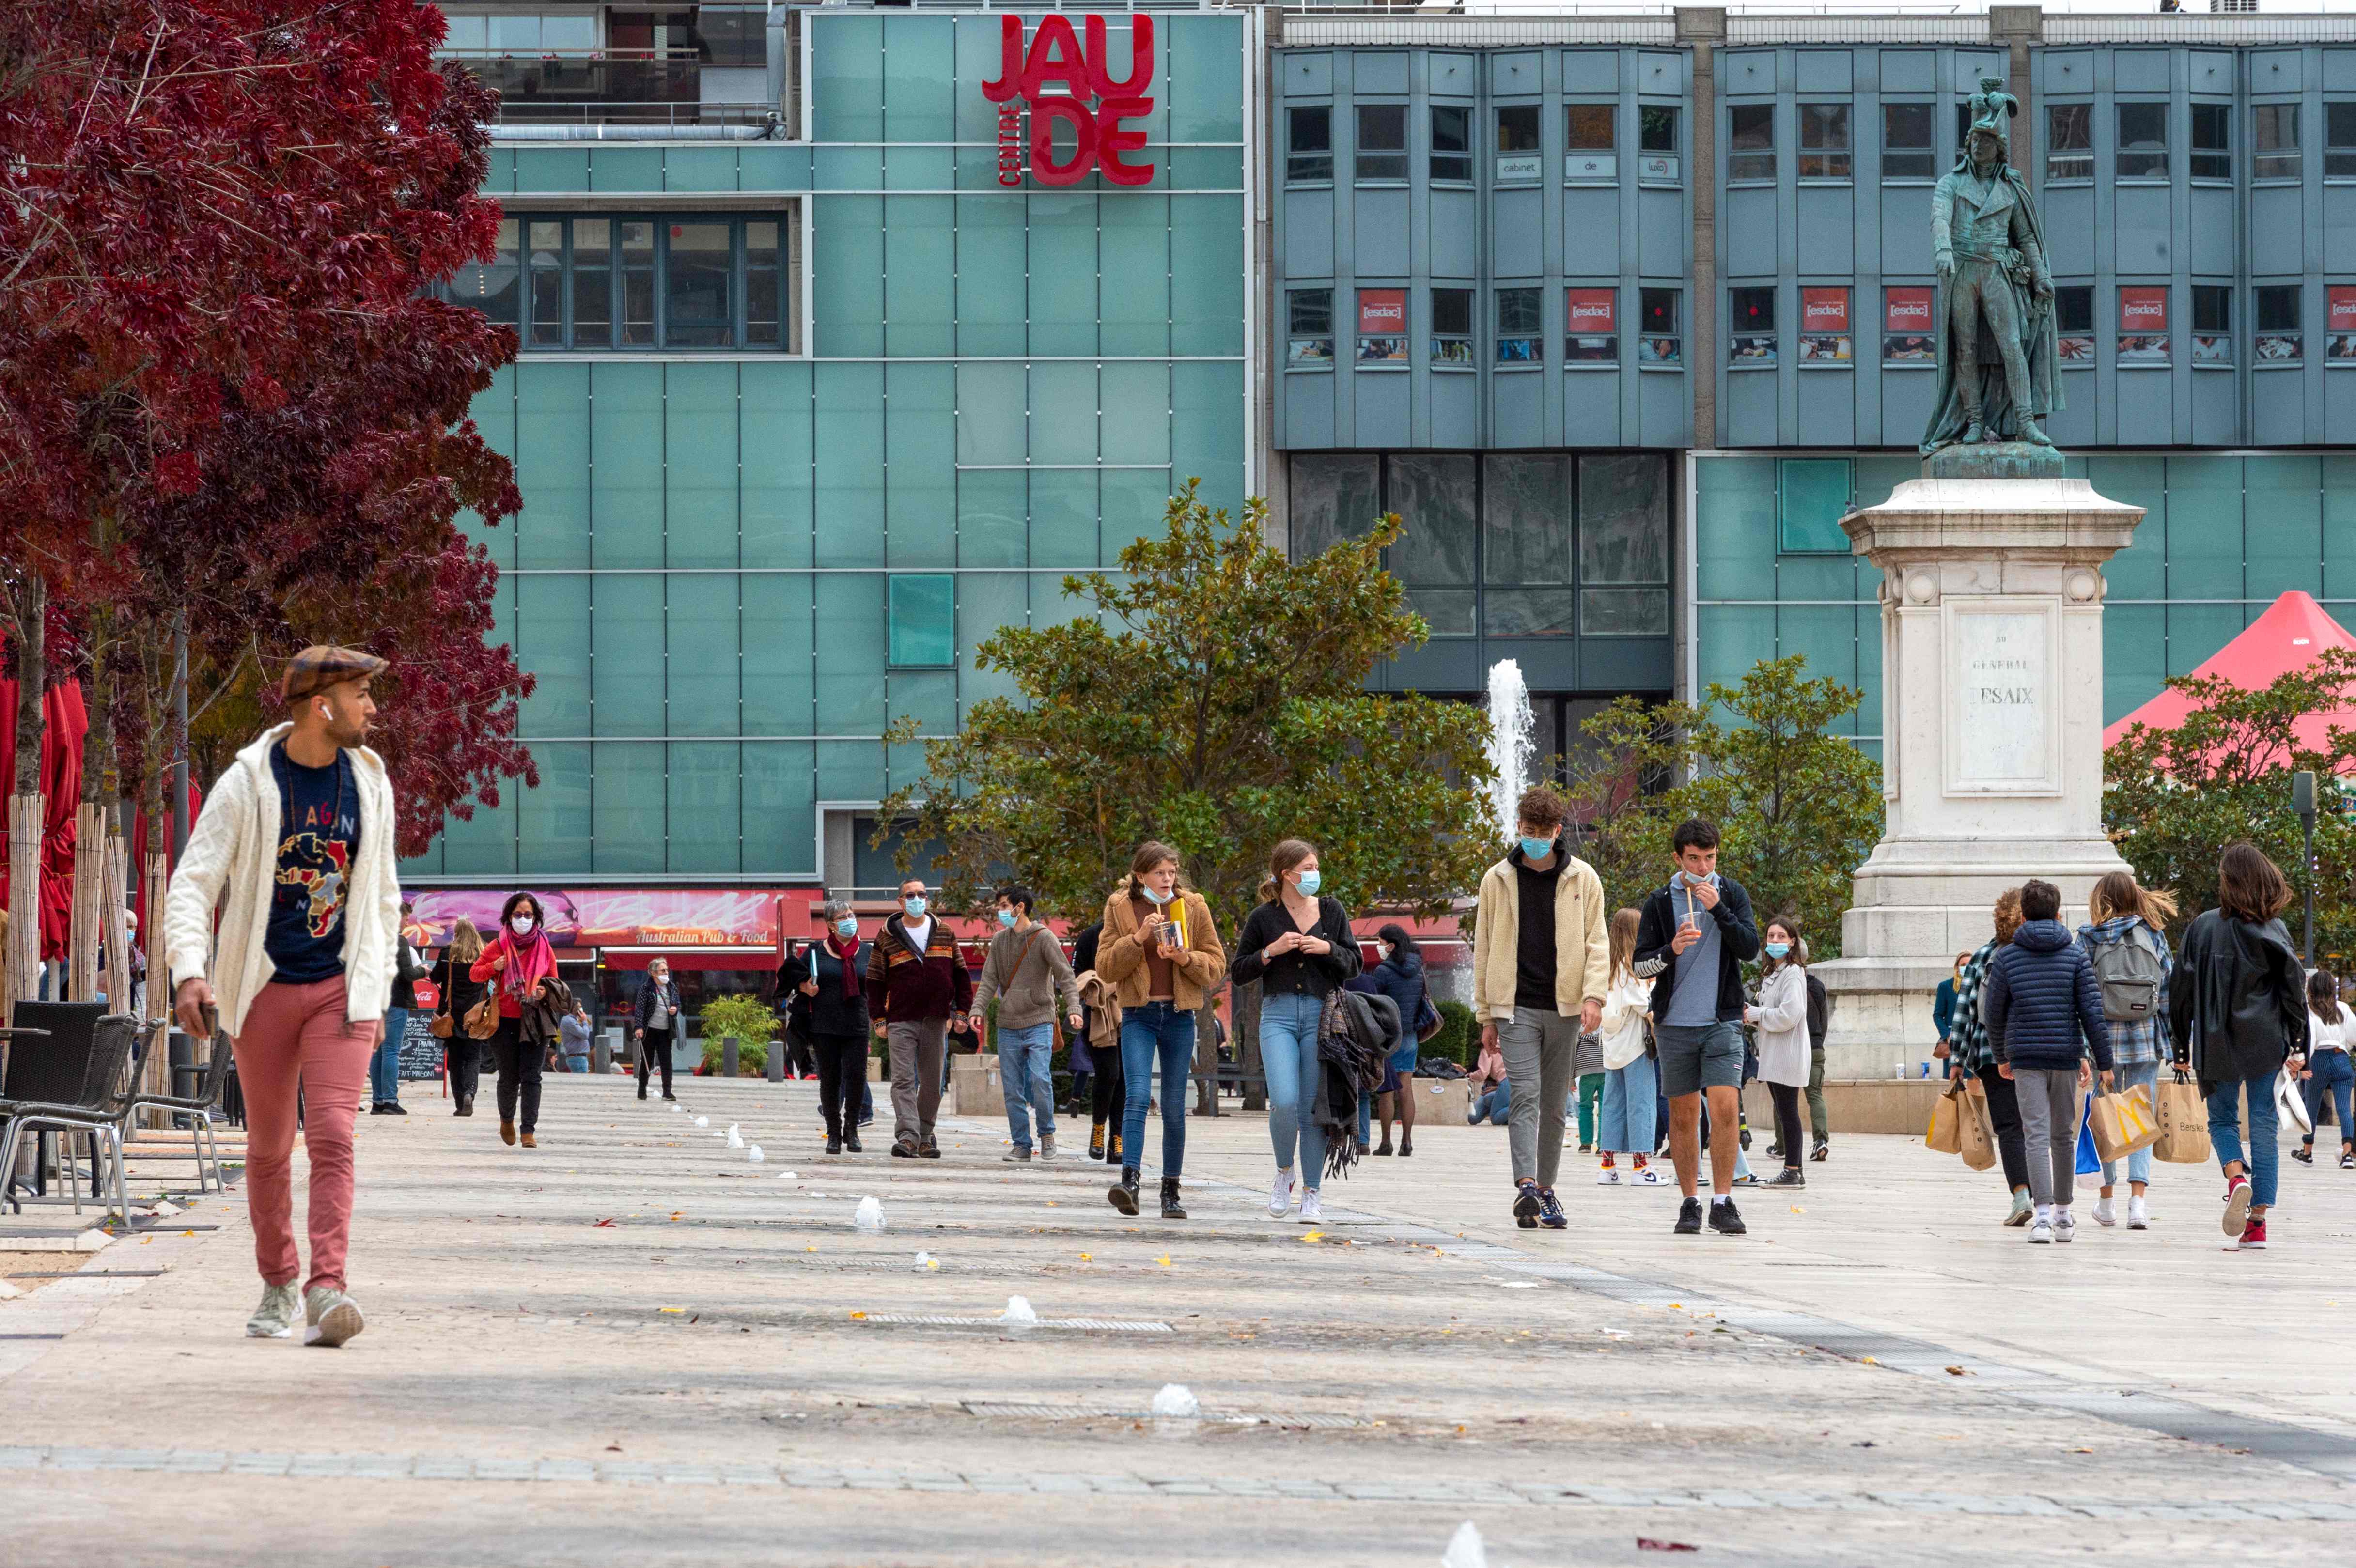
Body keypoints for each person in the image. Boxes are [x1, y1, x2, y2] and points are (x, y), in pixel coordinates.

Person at [163, 644, 397, 1348]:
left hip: (340, 993)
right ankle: (278, 1280)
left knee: (333, 1134)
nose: (372, 709)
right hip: (261, 987)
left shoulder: (370, 782)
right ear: (321, 707)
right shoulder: (248, 783)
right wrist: (189, 972)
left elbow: (384, 898)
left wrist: (376, 991)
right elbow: (193, 883)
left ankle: (327, 1288)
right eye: (361, 695)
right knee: (269, 1147)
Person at [1470, 785, 1610, 1232]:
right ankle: (1525, 1184)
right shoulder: (1496, 879)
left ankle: (1545, 1190)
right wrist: (1486, 1015)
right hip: (1515, 1007)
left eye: (1542, 831)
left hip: (1565, 1008)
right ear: (1519, 826)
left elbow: (1597, 943)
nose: (1534, 838)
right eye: (1527, 830)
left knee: (1554, 1104)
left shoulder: (1583, 878)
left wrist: (1594, 996)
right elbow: (1483, 948)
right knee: (1526, 1092)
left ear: (1557, 831)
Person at [2169, 842, 2309, 1251]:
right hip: (2265, 1038)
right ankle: (2257, 1223)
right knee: (2263, 1123)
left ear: (2226, 881)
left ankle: (2235, 1178)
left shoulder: (2201, 927)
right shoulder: (2274, 929)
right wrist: (2297, 1044)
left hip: (2214, 1039)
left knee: (2222, 1120)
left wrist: (2180, 1047)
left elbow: (2178, 992)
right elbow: (2293, 992)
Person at [1635, 817, 1762, 1238]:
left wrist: (1718, 909)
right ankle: (1690, 1201)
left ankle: (1722, 1201)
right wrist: (1671, 950)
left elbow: (1750, 948)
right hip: (1674, 1024)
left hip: (1721, 1021)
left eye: (1709, 858)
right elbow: (1639, 965)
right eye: (1693, 859)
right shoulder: (1659, 902)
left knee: (1725, 1108)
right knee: (1683, 1115)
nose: (1703, 867)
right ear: (1677, 858)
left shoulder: (1732, 893)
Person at [1232, 840, 1362, 1224]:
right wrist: (1269, 952)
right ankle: (1284, 1171)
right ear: (1287, 874)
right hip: (1278, 1013)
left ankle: (1312, 1192)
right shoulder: (1263, 917)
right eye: (1308, 867)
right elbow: (1238, 971)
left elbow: (1354, 963)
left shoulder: (1332, 910)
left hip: (1322, 1016)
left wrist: (1327, 949)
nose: (1314, 873)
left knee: (1311, 1108)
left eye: (1316, 866)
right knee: (1284, 1101)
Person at [1096, 841, 1227, 1219]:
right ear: (1141, 875)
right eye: (1159, 873)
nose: (1167, 879)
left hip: (1179, 1015)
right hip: (1138, 1014)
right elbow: (1105, 967)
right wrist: (1137, 939)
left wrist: (1185, 958)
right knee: (1137, 1095)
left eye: (1172, 872)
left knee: (1173, 1105)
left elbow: (1216, 964)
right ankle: (1130, 1183)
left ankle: (1171, 1191)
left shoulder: (1193, 906)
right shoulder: (1120, 906)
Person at [1983, 878, 2114, 1244]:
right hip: (2065, 1056)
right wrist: (2101, 1061)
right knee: (2062, 1136)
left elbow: (1993, 1014)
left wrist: (2001, 1055)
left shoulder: (2006, 958)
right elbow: (2091, 1012)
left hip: (2025, 1058)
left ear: (2023, 917)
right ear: (2058, 915)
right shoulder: (2075, 956)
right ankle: (2063, 1215)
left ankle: (2041, 1216)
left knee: (2036, 1136)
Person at [2077, 869, 2178, 1228]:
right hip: (2145, 1038)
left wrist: (2082, 1047)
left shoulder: (2088, 937)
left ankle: (2107, 1203)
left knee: (2104, 1118)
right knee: (2140, 1118)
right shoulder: (2154, 934)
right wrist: (2172, 1042)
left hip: (2101, 1042)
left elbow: (2079, 997)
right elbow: (2167, 992)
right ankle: (2138, 1203)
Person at [971, 883, 1085, 1164]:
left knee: (1040, 1079)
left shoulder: (1044, 937)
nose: (999, 912)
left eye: (1003, 906)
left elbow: (1065, 975)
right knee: (1012, 1089)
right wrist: (978, 1009)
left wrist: (1074, 1007)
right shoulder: (1000, 941)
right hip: (1008, 1024)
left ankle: (1047, 1134)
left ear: (1019, 908)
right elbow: (989, 980)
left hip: (1039, 1021)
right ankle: (1022, 1144)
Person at [866, 876, 974, 1160]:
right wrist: (879, 1018)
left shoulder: (945, 932)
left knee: (933, 1081)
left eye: (922, 895)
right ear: (901, 902)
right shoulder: (886, 937)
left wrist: (962, 1012)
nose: (917, 900)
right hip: (901, 1018)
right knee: (903, 1080)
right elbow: (875, 981)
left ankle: (925, 1135)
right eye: (911, 895)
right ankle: (908, 1137)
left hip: (937, 1018)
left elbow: (961, 975)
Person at [781, 900, 872, 1153]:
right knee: (830, 1080)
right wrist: (804, 987)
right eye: (843, 917)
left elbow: (879, 985)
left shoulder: (867, 951)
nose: (849, 921)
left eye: (851, 915)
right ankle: (833, 1132)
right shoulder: (815, 951)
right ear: (831, 925)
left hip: (857, 1025)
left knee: (856, 1078)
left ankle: (852, 1129)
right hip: (824, 1026)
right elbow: (788, 977)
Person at [469, 892, 559, 1148]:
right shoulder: (497, 946)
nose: (523, 919)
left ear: (536, 917)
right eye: (518, 915)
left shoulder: (544, 946)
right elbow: (474, 974)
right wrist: (494, 967)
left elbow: (554, 981)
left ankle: (528, 1130)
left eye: (528, 915)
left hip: (535, 1020)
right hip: (504, 1022)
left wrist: (544, 991)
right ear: (509, 917)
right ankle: (506, 1120)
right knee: (509, 1077)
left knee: (532, 1076)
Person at [1744, 914, 1810, 1189]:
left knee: (1788, 1113)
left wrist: (1756, 1014)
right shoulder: (1773, 973)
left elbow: (1790, 1014)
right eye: (1771, 936)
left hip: (1787, 1054)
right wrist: (1753, 1015)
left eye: (1781, 936)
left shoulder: (1793, 973)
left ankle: (1792, 1170)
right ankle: (1796, 1170)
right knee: (1784, 1113)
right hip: (1774, 1053)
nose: (1775, 941)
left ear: (1792, 941)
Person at [1594, 907, 1660, 1186]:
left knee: (1613, 1105)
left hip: (1611, 1048)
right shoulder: (1631, 967)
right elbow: (1644, 1005)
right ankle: (1641, 1168)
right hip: (1635, 1047)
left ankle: (1608, 1165)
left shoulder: (1606, 968)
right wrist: (1653, 988)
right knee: (1641, 1104)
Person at [1352, 923, 1429, 1158]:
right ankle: (1407, 1142)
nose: (1379, 946)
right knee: (1406, 1088)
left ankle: (1386, 1143)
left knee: (1386, 1090)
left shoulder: (1383, 971)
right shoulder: (1418, 969)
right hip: (1411, 1035)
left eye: (1381, 942)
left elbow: (1375, 1004)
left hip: (1388, 1036)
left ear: (1391, 946)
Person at [1070, 919, 1125, 1163]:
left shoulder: (1134, 934)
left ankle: (1117, 1138)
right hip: (1096, 1014)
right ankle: (1099, 1129)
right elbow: (1074, 975)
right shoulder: (1091, 935)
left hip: (1129, 1013)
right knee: (1109, 1072)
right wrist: (1097, 984)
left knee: (1124, 1078)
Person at [2296, 968, 2354, 1171]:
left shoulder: (2308, 1010)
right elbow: (2354, 1036)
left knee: (2311, 1108)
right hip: (2341, 1059)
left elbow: (2308, 1039)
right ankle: (2347, 1155)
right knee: (2344, 1109)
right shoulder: (2343, 1008)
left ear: (2311, 988)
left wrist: (2304, 1066)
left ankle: (2307, 1154)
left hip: (2318, 1060)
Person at [431, 919, 488, 1117]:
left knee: (455, 1061)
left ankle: (459, 1104)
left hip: (452, 1015)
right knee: (473, 1057)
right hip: (476, 1015)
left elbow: (435, 978)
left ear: (456, 934)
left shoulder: (447, 954)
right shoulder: (482, 955)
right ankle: (469, 1094)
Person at [374, 903, 424, 1116]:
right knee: (392, 1051)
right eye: (406, 919)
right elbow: (408, 974)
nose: (407, 923)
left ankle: (378, 1101)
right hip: (396, 1000)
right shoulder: (398, 940)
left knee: (377, 1052)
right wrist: (424, 971)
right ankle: (391, 1100)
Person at [633, 956, 681, 1102]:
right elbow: (640, 1009)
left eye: (667, 970)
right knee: (647, 1060)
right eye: (663, 970)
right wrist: (639, 1027)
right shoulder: (646, 988)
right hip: (650, 1030)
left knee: (667, 1061)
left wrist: (675, 1009)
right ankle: (642, 1089)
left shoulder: (672, 987)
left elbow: (677, 1003)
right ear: (654, 973)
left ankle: (667, 1091)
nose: (666, 973)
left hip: (666, 1031)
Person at [1932, 953, 1965, 1073]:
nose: (1966, 968)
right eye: (1963, 965)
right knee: (1955, 1076)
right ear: (1957, 967)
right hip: (1953, 1040)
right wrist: (1947, 1035)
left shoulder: (1978, 987)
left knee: (1974, 1077)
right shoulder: (1945, 987)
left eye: (1970, 965)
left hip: (1973, 1040)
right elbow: (1938, 1015)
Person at [560, 1002, 593, 1073]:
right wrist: (585, 1021)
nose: (581, 1009)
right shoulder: (569, 1020)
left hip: (578, 1057)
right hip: (578, 1058)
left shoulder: (574, 1020)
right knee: (582, 1080)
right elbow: (585, 1035)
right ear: (574, 1009)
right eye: (580, 1007)